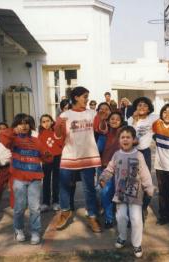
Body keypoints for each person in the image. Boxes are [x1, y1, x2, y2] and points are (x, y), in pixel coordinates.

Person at [54, 86, 107, 233]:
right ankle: (65, 211)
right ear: (76, 97)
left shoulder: (92, 113)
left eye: (87, 96)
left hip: (88, 155)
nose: (87, 99)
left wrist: (102, 120)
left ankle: (92, 216)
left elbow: (101, 129)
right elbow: (58, 138)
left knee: (88, 188)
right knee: (64, 186)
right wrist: (58, 127)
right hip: (69, 155)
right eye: (85, 96)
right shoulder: (65, 115)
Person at [99, 126, 154, 258]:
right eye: (122, 137)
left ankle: (136, 244)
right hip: (120, 191)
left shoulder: (139, 155)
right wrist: (103, 178)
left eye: (128, 137)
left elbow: (145, 173)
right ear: (119, 140)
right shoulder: (117, 155)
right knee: (121, 217)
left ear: (133, 139)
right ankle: (122, 237)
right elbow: (110, 168)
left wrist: (148, 187)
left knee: (136, 219)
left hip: (135, 193)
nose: (125, 139)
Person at [0, 113, 53, 245]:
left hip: (35, 179)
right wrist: (13, 130)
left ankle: (35, 232)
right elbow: (3, 136)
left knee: (35, 207)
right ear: (16, 125)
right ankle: (19, 229)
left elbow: (47, 158)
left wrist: (47, 155)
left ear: (31, 125)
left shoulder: (36, 141)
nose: (24, 126)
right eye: (20, 123)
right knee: (19, 207)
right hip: (18, 179)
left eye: (27, 123)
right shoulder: (13, 140)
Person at [99, 111, 126, 228]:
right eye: (112, 119)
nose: (114, 121)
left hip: (122, 169)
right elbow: (98, 149)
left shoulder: (125, 133)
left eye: (117, 119)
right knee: (105, 193)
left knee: (121, 194)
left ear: (121, 121)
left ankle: (124, 218)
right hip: (106, 168)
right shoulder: (103, 134)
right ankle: (109, 218)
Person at [38, 114, 63, 212]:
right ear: (41, 124)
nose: (46, 123)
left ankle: (56, 201)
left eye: (48, 121)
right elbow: (40, 147)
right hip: (46, 159)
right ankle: (45, 202)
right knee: (46, 181)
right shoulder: (40, 134)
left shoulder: (56, 131)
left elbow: (61, 143)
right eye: (43, 122)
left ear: (52, 121)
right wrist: (43, 155)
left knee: (56, 180)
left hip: (57, 157)